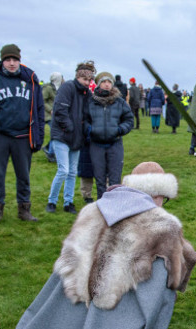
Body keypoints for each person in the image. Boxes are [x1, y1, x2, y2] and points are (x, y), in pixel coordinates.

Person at [6, 162, 196, 329]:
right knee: (159, 288)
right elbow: (179, 268)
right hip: (117, 305)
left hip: (77, 296)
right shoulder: (163, 226)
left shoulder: (92, 209)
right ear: (158, 193)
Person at [0, 43, 44, 223]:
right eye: (8, 59)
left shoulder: (30, 80)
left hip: (23, 136)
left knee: (24, 175)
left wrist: (38, 137)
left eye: (15, 59)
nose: (12, 63)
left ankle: (24, 210)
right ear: (2, 60)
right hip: (0, 135)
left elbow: (39, 109)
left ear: (19, 61)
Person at [46, 61, 94, 215]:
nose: (87, 83)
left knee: (72, 172)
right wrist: (70, 128)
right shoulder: (67, 88)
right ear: (77, 76)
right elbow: (60, 111)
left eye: (89, 80)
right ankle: (51, 201)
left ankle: (68, 202)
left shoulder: (87, 94)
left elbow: (89, 113)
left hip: (77, 137)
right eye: (84, 79)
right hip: (62, 135)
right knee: (63, 170)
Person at [84, 71, 134, 199]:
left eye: (109, 82)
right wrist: (90, 129)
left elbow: (129, 120)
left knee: (115, 179)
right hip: (96, 144)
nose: (107, 85)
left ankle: (115, 206)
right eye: (104, 82)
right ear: (98, 84)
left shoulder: (120, 102)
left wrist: (119, 130)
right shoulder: (91, 102)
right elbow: (84, 119)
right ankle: (102, 204)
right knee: (100, 179)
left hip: (115, 144)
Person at [41, 72, 63, 162]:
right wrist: (50, 109)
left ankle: (48, 149)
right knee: (55, 134)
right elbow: (42, 100)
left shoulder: (57, 88)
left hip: (54, 114)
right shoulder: (48, 88)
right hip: (48, 114)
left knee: (55, 134)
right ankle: (50, 153)